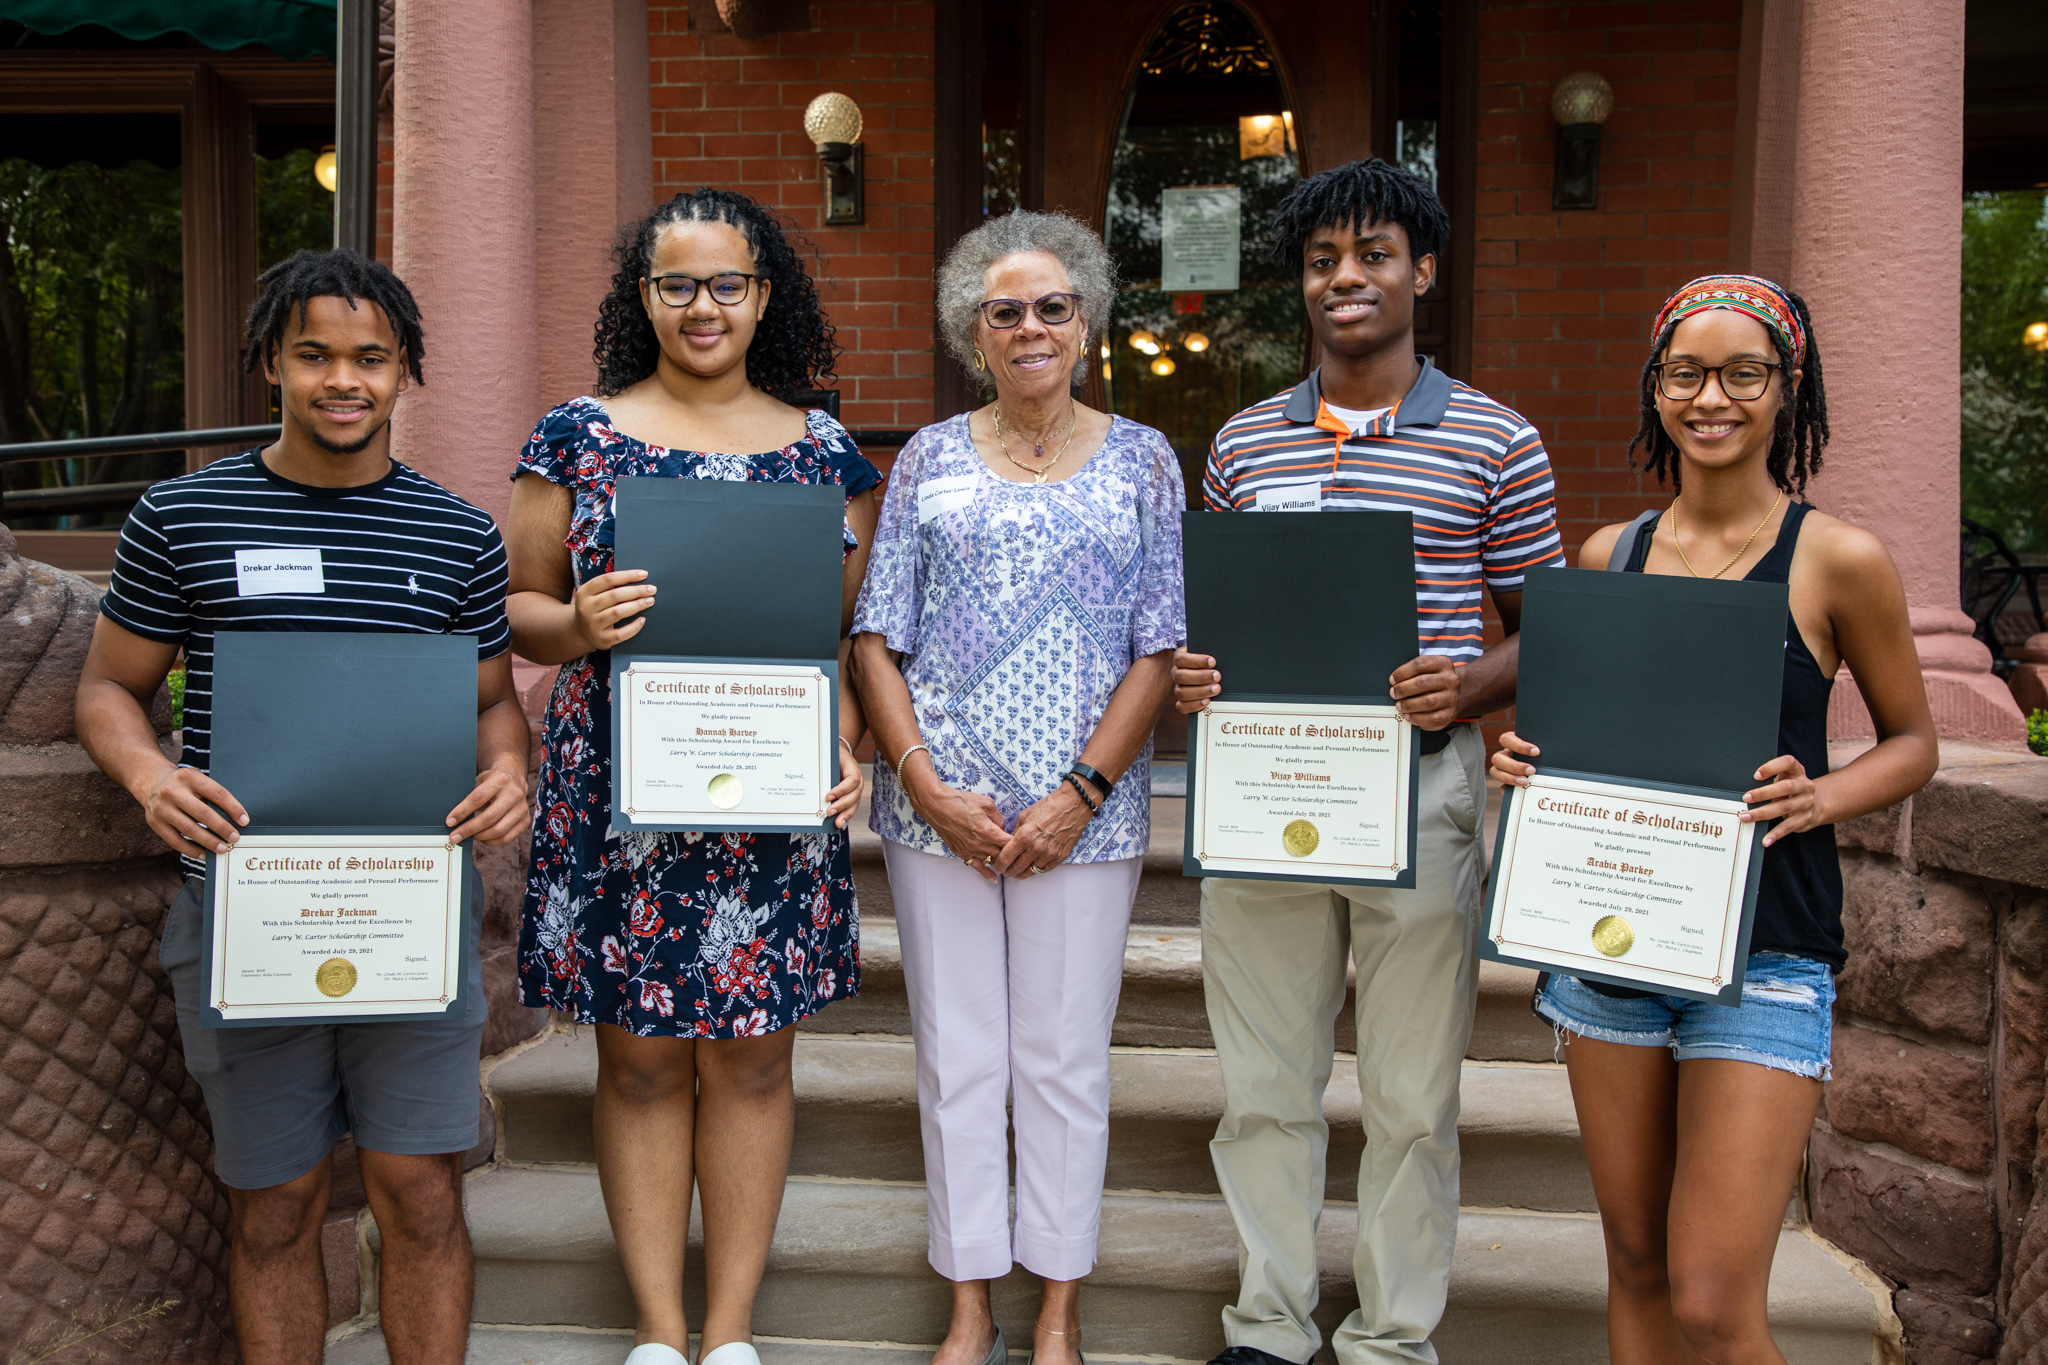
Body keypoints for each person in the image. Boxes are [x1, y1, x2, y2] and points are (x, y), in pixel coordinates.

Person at [74, 248, 530, 1365]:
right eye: (314, 353)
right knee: (273, 1206)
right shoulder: (182, 516)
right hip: (246, 911)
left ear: (403, 370)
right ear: (271, 361)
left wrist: (509, 770)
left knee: (420, 1194)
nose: (343, 380)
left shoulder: (457, 534)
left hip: (408, 910)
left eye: (370, 358)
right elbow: (108, 689)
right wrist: (151, 777)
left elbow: (494, 707)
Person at [1489, 274, 1938, 1363]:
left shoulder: (1836, 559)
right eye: (1684, 373)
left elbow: (1912, 743)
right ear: (1654, 391)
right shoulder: (1609, 555)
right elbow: (1577, 745)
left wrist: (1818, 794)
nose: (1711, 398)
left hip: (1768, 952)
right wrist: (1522, 764)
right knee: (1635, 1268)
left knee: (1709, 1300)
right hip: (1611, 951)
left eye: (1743, 374)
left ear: (1787, 391)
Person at [1172, 158, 1565, 1365]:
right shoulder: (1241, 445)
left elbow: (1543, 626)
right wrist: (1196, 672)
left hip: (1419, 787)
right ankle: (1269, 1325)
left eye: (1373, 255)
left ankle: (1391, 1338)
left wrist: (1470, 683)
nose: (1345, 278)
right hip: (1265, 786)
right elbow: (1215, 615)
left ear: (1421, 270)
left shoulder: (1496, 441)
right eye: (1320, 260)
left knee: (1406, 1096)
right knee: (1263, 1090)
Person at [504, 188, 876, 1365]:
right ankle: (660, 1335)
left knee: (757, 1055)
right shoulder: (577, 434)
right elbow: (513, 614)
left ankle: (731, 1335)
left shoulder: (822, 452)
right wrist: (575, 621)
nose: (702, 306)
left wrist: (849, 741)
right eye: (676, 284)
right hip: (621, 789)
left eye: (727, 284)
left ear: (765, 296)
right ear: (643, 296)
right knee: (641, 1056)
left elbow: (843, 637)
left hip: (768, 788)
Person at [848, 209, 1184, 1365]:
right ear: (971, 333)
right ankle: (968, 1303)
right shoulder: (930, 458)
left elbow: (1157, 645)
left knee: (1058, 1058)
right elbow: (873, 637)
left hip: (1080, 815)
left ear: (1085, 322)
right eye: (1005, 312)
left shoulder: (1144, 458)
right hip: (936, 809)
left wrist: (1081, 791)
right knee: (959, 1054)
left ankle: (1056, 1305)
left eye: (1051, 306)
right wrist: (922, 783)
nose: (1030, 326)